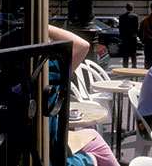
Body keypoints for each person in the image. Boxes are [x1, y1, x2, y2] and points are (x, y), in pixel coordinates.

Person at [48, 25, 119, 166]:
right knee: (96, 154)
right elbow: (81, 45)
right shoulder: (46, 74)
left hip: (52, 145)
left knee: (94, 136)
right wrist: (42, 25)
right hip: (56, 157)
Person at [119, 2, 139, 68]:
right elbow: (136, 28)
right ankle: (134, 66)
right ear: (132, 8)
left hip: (125, 38)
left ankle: (125, 66)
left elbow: (120, 28)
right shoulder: (135, 16)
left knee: (125, 55)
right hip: (133, 38)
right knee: (133, 54)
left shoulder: (121, 17)